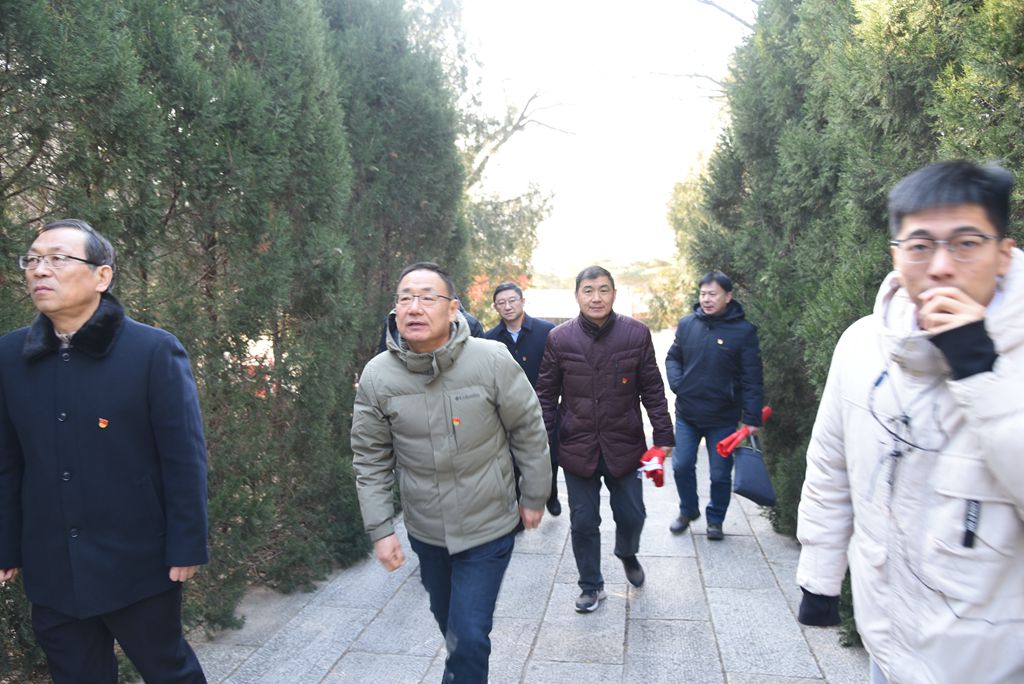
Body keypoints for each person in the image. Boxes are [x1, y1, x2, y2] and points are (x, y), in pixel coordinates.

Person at [795, 160, 1024, 684]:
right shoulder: (861, 343)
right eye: (919, 246)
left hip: (992, 663)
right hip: (887, 639)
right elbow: (831, 464)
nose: (940, 266)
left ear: (1003, 254)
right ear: (896, 256)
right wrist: (819, 576)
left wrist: (980, 371)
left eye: (966, 243)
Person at [0, 219, 209, 683]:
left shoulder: (153, 351)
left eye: (58, 259)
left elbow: (183, 458)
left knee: (169, 670)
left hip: (137, 561)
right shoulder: (10, 356)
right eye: (32, 260)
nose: (40, 270)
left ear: (102, 276)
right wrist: (5, 543)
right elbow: (7, 462)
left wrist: (187, 543)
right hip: (52, 564)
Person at [351, 262, 551, 683]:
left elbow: (528, 429)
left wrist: (534, 495)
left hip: (489, 524)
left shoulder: (491, 360)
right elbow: (370, 457)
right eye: (405, 298)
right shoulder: (378, 376)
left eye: (428, 297)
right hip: (427, 530)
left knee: (470, 636)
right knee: (453, 629)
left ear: (453, 308)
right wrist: (381, 529)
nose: (414, 308)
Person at [535, 266, 674, 613]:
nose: (596, 298)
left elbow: (652, 390)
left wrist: (663, 436)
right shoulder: (559, 338)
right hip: (577, 445)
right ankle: (590, 585)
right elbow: (546, 395)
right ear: (577, 295)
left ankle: (627, 551)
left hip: (624, 443)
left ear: (613, 294)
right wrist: (541, 441)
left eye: (603, 290)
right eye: (588, 290)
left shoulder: (636, 334)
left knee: (633, 515)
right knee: (583, 522)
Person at [665, 271, 764, 541]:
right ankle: (688, 510)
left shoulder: (743, 332)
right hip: (687, 414)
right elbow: (673, 358)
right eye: (703, 294)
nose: (707, 299)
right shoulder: (687, 324)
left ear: (728, 296)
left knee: (720, 475)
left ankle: (716, 519)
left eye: (713, 294)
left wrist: (752, 418)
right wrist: (678, 384)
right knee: (681, 465)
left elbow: (752, 377)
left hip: (723, 418)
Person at [485, 282, 561, 516]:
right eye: (501, 303)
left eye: (512, 300)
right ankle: (519, 505)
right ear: (495, 307)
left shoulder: (547, 331)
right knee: (514, 459)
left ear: (522, 301)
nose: (507, 306)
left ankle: (551, 493)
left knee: (550, 454)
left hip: (544, 405)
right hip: (509, 409)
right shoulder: (491, 339)